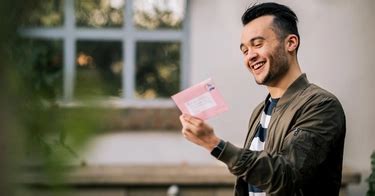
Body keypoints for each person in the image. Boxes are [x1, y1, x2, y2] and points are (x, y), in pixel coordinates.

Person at [179, 2, 346, 196]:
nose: (250, 56)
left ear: (291, 43)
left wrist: (214, 144)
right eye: (244, 50)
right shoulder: (260, 111)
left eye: (257, 44)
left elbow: (286, 176)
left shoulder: (321, 105)